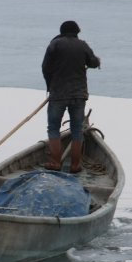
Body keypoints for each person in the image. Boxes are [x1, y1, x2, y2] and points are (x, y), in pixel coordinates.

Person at [41, 20, 100, 173]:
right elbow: (93, 62)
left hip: (58, 94)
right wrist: (96, 61)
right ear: (76, 32)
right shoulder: (82, 45)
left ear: (61, 31)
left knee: (53, 128)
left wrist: (50, 85)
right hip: (79, 95)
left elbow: (45, 67)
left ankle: (55, 162)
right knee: (77, 130)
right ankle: (75, 165)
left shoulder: (54, 45)